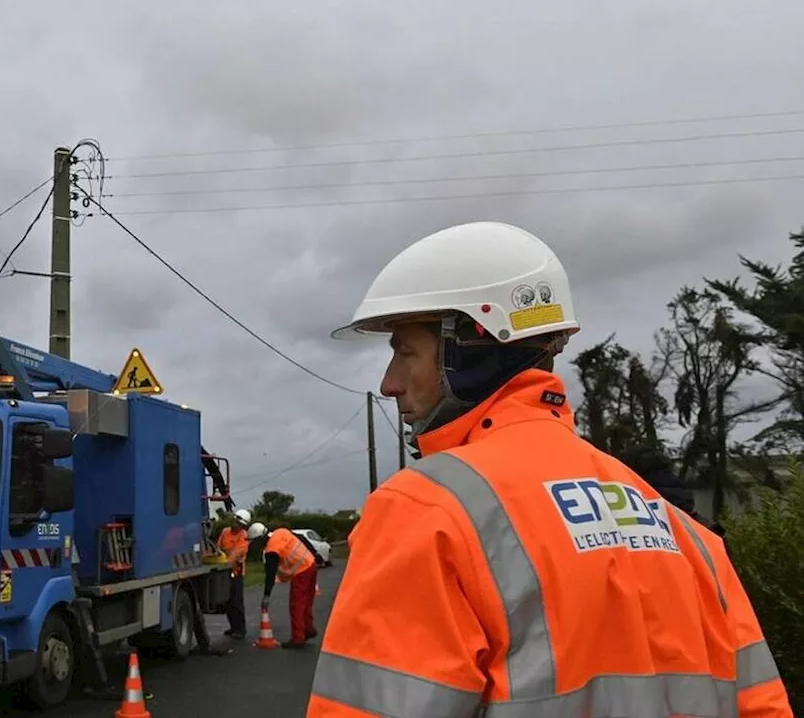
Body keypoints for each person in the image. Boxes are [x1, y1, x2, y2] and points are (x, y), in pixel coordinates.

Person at [308, 222, 792, 716]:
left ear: (470, 348)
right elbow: (763, 705)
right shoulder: (680, 529)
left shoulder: (425, 512)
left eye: (406, 352)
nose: (389, 384)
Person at [247, 522, 319, 649]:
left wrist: (266, 596)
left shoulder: (271, 550)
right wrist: (314, 554)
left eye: (254, 542)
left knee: (297, 604)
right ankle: (308, 629)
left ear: (260, 539)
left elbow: (270, 575)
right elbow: (301, 539)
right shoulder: (281, 532)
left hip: (301, 571)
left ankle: (298, 639)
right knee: (307, 602)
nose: (254, 546)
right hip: (311, 564)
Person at [217, 509, 253, 639]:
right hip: (225, 570)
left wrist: (224, 563)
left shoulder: (243, 536)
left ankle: (240, 629)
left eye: (239, 524)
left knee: (236, 601)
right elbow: (218, 547)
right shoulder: (225, 532)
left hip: (236, 571)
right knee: (228, 602)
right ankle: (233, 627)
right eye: (235, 522)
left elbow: (237, 553)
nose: (236, 525)